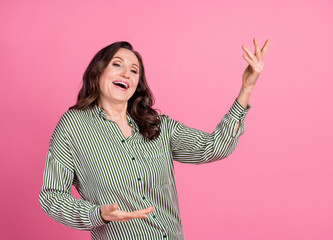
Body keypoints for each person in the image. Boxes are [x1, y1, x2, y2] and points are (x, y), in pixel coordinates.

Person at [39, 38, 270, 240]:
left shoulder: (157, 125)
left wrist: (246, 89)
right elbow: (51, 197)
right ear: (98, 72)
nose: (125, 74)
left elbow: (214, 147)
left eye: (134, 70)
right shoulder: (73, 127)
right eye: (117, 64)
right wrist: (96, 214)